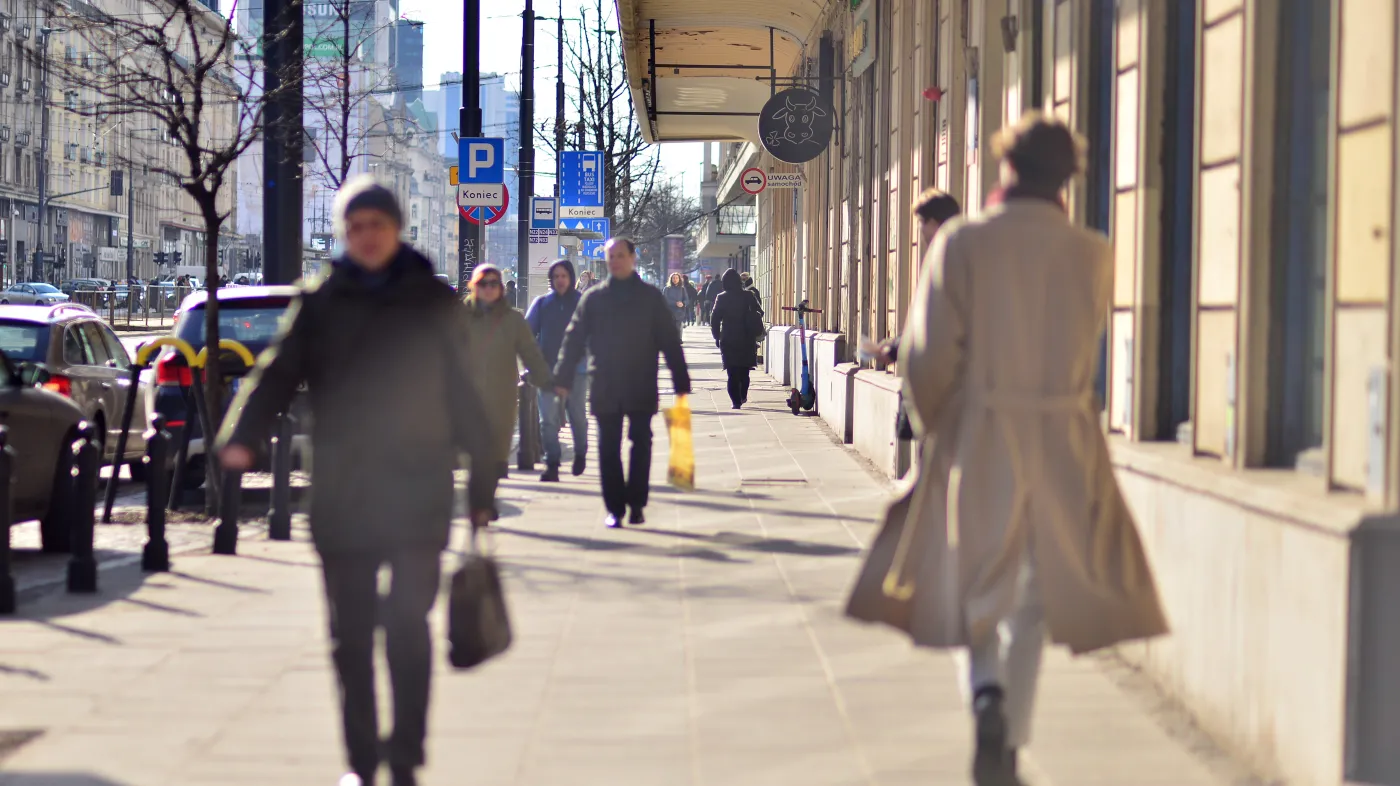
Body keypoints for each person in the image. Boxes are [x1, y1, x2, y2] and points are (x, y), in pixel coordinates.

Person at [844, 113, 1169, 786]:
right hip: (1064, 439)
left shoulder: (963, 243)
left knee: (975, 582)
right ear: (1067, 177)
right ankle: (1011, 741)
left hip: (983, 433)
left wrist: (936, 429)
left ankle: (986, 696)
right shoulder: (1092, 251)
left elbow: (928, 357)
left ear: (1006, 167)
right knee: (1034, 594)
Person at [215, 176, 500, 786]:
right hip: (343, 491)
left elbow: (467, 398)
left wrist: (480, 492)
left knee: (404, 624)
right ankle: (361, 760)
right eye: (356, 227)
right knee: (348, 637)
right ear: (346, 234)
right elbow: (276, 372)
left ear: (397, 229)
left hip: (418, 489)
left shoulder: (431, 301)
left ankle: (405, 752)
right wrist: (242, 433)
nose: (366, 236)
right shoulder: (321, 302)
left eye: (377, 224)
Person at [553, 237, 691, 529]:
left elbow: (669, 340)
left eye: (620, 255)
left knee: (641, 443)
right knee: (607, 447)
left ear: (632, 258)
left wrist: (680, 378)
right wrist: (563, 377)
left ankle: (637, 504)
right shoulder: (594, 299)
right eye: (610, 256)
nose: (614, 260)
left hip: (640, 381)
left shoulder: (650, 297)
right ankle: (615, 508)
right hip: (604, 383)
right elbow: (574, 339)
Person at [462, 264, 554, 482]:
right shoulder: (460, 317)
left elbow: (530, 352)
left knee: (498, 451)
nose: (489, 288)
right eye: (483, 283)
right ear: (474, 286)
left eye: (494, 283)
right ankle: (481, 505)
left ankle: (487, 495)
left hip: (502, 393)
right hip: (469, 393)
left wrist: (546, 382)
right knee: (474, 451)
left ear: (501, 288)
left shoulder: (513, 319)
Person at [525, 259, 589, 481]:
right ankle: (552, 462)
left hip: (577, 370)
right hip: (547, 370)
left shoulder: (582, 302)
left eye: (564, 276)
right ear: (551, 280)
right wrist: (531, 363)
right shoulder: (542, 303)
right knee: (548, 420)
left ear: (571, 278)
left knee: (577, 415)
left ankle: (581, 451)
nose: (560, 280)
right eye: (556, 276)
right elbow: (526, 334)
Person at [709, 268, 764, 409]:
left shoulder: (721, 297)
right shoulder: (749, 295)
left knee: (732, 372)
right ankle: (743, 395)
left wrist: (716, 336)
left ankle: (736, 402)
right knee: (744, 371)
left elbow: (714, 319)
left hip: (728, 338)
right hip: (747, 337)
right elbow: (760, 311)